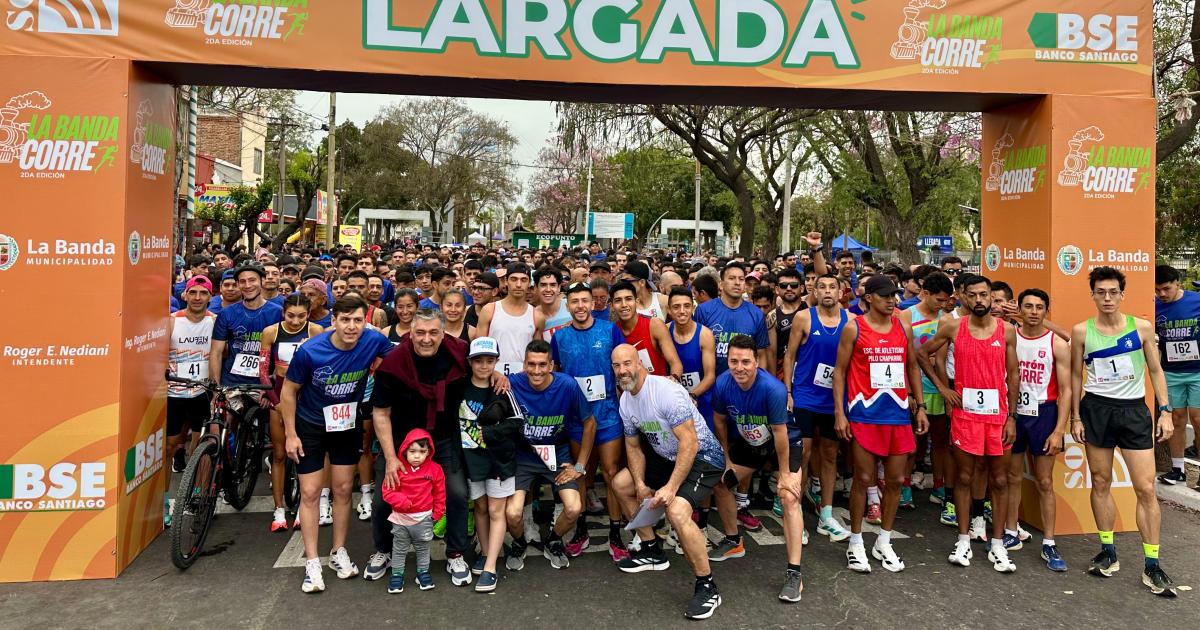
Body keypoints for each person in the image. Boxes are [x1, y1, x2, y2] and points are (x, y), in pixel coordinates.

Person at [368, 309, 509, 587]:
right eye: (420, 333)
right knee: (382, 499)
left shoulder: (459, 352)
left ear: (444, 333)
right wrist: (390, 459)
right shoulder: (393, 363)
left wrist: (498, 376)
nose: (426, 339)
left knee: (457, 493)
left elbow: (483, 366)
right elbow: (381, 413)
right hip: (400, 442)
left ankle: (455, 552)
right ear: (410, 333)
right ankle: (383, 550)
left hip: (444, 438)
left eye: (433, 332)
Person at [1070, 266, 1177, 596]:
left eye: (1112, 292)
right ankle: (1108, 552)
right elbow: (1074, 377)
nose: (1107, 298)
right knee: (1100, 481)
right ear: (1092, 295)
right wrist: (1075, 417)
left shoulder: (1141, 328)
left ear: (1122, 294)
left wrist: (1165, 410)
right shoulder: (1081, 332)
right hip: (1096, 410)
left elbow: (1157, 371)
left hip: (1133, 411)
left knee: (1145, 488)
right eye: (1100, 292)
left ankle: (1153, 565)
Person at [280, 295, 394, 593]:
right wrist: (291, 434)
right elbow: (288, 392)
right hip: (311, 426)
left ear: (365, 322)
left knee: (344, 489)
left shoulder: (372, 341)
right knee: (310, 491)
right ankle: (312, 561)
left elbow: (407, 351)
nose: (352, 326)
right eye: (345, 320)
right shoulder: (310, 352)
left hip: (346, 425)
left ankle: (338, 551)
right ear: (333, 322)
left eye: (358, 320)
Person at [610, 344, 726, 620]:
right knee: (621, 485)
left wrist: (671, 488)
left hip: (703, 456)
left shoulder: (665, 392)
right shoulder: (626, 399)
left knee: (676, 511)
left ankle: (707, 585)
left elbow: (690, 442)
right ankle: (651, 550)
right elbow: (634, 446)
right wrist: (639, 483)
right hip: (667, 455)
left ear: (641, 364)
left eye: (628, 363)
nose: (623, 370)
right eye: (617, 366)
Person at [916, 274, 1019, 573]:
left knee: (999, 480)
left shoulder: (1007, 331)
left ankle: (998, 544)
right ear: (962, 296)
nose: (979, 300)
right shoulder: (952, 325)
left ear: (991, 296)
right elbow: (923, 353)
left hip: (998, 416)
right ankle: (963, 539)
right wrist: (943, 389)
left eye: (984, 295)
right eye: (972, 295)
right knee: (963, 476)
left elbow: (1013, 375)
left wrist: (1012, 416)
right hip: (965, 414)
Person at [832, 275, 929, 574]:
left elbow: (912, 365)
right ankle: (856, 541)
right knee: (863, 478)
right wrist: (840, 412)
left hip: (898, 414)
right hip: (864, 413)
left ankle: (884, 540)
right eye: (886, 295)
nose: (892, 300)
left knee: (897, 480)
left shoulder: (902, 326)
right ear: (869, 297)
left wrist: (920, 406)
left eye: (894, 296)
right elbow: (839, 372)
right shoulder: (853, 328)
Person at [708, 336, 806, 603]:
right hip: (751, 443)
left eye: (746, 362)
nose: (739, 368)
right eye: (734, 362)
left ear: (757, 362)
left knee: (788, 496)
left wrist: (784, 473)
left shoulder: (771, 389)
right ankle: (733, 541)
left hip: (783, 443)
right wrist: (727, 458)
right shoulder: (722, 384)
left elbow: (779, 433)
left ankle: (794, 573)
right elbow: (719, 422)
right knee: (720, 482)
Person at [550, 281, 630, 560]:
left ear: (594, 303)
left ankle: (616, 533)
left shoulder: (610, 330)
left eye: (586, 301)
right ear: (567, 304)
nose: (581, 306)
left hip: (607, 414)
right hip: (576, 419)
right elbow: (557, 374)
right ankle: (581, 530)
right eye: (575, 301)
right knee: (580, 473)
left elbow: (623, 367)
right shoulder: (559, 337)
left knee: (610, 474)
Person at [504, 340, 594, 571]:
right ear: (524, 364)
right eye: (531, 364)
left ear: (552, 365)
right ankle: (519, 542)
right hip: (524, 456)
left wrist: (580, 466)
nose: (536, 371)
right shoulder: (512, 383)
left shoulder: (568, 386)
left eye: (542, 365)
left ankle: (553, 540)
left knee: (574, 507)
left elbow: (589, 423)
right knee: (512, 513)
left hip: (557, 455)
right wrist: (496, 377)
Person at [783, 273, 852, 542]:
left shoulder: (851, 321)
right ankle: (796, 512)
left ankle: (826, 514)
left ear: (841, 291)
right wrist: (788, 391)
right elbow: (789, 356)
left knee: (831, 455)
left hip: (834, 399)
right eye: (821, 286)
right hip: (805, 395)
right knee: (804, 454)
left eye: (832, 287)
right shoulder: (804, 317)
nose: (826, 291)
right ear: (814, 290)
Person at [1008, 288, 1071, 571]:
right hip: (1013, 414)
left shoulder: (1056, 342)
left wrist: (1060, 430)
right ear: (1019, 309)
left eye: (1039, 307)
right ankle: (1010, 532)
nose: (1033, 311)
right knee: (1011, 477)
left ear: (1046, 311)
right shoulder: (1010, 336)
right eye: (1028, 306)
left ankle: (1049, 542)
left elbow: (1068, 390)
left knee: (1044, 481)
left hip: (1045, 413)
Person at [458, 337, 522, 592]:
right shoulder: (460, 388)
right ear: (470, 362)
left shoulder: (502, 389)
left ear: (496, 361)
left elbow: (518, 421)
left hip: (498, 462)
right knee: (481, 508)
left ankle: (491, 567)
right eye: (478, 361)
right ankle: (485, 551)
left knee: (497, 511)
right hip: (471, 462)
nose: (484, 366)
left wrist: (489, 434)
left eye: (489, 361)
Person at [259, 293, 325, 532]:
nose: (296, 321)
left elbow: (321, 366)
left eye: (301, 316)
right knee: (278, 454)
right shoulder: (271, 332)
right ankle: (278, 509)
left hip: (307, 399)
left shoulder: (316, 331)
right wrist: (275, 401)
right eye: (290, 316)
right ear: (283, 313)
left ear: (309, 314)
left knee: (305, 455)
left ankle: (302, 507)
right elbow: (264, 372)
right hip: (279, 396)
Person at [899, 271, 956, 515]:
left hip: (939, 388)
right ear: (925, 293)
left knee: (941, 441)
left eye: (946, 301)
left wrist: (945, 391)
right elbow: (902, 358)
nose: (943, 305)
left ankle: (940, 485)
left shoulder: (947, 319)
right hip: (914, 388)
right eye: (939, 300)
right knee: (912, 442)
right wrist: (910, 392)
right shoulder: (905, 316)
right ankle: (904, 486)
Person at [164, 276, 217, 524]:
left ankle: (197, 495)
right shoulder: (172, 322)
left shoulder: (215, 322)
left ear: (210, 296)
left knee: (202, 446)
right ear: (185, 295)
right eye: (192, 292)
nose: (197, 298)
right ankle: (163, 500)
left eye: (202, 293)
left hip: (202, 392)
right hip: (174, 393)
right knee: (170, 446)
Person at [382, 429, 446, 594]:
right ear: (404, 450)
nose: (417, 456)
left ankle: (423, 572)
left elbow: (440, 493)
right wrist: (401, 502)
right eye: (412, 451)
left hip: (424, 518)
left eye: (422, 452)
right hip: (401, 519)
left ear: (429, 452)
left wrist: (437, 514)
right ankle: (397, 575)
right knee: (399, 548)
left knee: (423, 548)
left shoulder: (435, 469)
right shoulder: (397, 469)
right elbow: (387, 491)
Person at [1153, 264, 1200, 488]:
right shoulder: (1154, 307)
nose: (1162, 294)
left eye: (1166, 288)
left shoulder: (1196, 301)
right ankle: (1178, 469)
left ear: (1177, 284)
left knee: (1198, 419)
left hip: (1198, 371)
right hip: (1171, 372)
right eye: (1157, 290)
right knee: (1176, 419)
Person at [695, 262, 771, 375]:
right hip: (711, 383)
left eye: (741, 279)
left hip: (745, 383)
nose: (737, 283)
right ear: (721, 284)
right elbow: (696, 350)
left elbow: (761, 355)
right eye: (732, 278)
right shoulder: (704, 310)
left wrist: (758, 383)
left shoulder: (756, 314)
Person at [477, 263, 545, 375]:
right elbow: (479, 349)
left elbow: (536, 354)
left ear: (529, 283)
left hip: (523, 379)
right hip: (492, 376)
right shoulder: (489, 310)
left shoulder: (537, 316)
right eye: (514, 279)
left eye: (523, 280)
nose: (518, 284)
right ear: (506, 281)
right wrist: (492, 373)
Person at [610, 280, 683, 379]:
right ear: (612, 306)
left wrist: (672, 380)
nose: (624, 304)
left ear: (637, 302)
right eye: (618, 300)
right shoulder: (611, 331)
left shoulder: (655, 325)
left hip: (658, 391)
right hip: (628, 392)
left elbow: (675, 364)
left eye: (628, 299)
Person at [535, 266, 573, 341]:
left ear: (559, 287)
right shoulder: (532, 317)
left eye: (553, 285)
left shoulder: (572, 306)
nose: (548, 289)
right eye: (543, 285)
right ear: (536, 287)